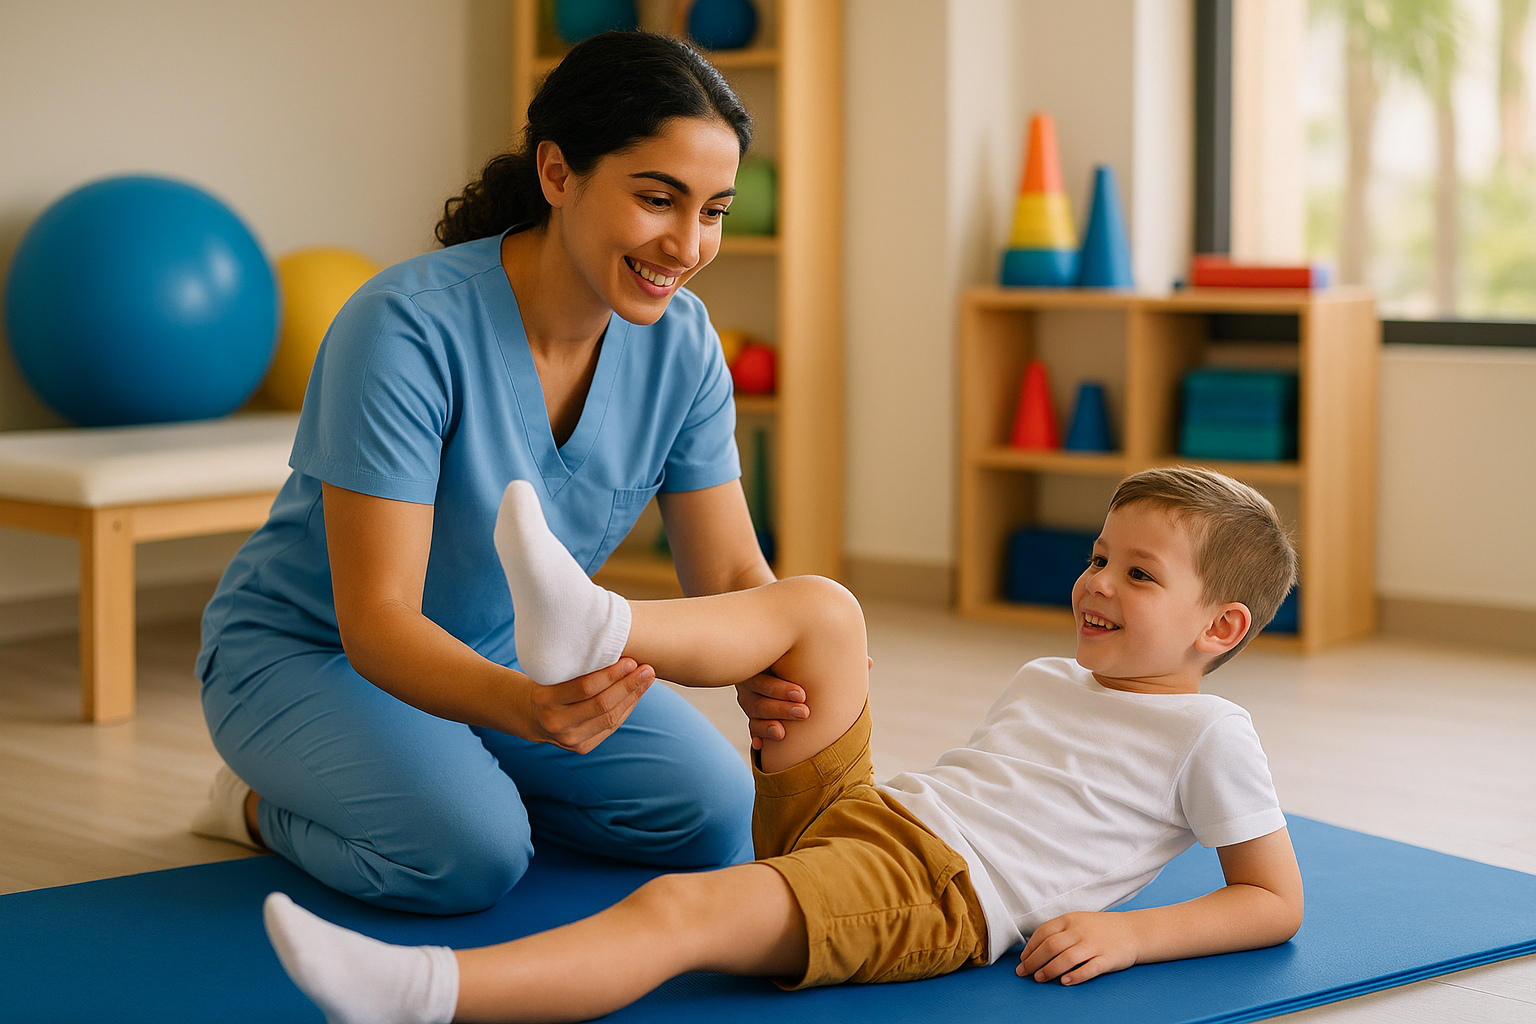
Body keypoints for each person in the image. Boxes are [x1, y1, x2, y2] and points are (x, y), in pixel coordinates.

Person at [261, 466, 1306, 1024]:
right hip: (872, 818)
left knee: (681, 906)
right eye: (1097, 556)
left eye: (1138, 574)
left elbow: (1274, 902)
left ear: (1222, 629)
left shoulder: (1210, 731)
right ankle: (599, 625)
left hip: (934, 893)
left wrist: (1132, 935)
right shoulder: (1050, 677)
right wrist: (822, 720)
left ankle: (427, 993)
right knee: (826, 611)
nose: (1095, 582)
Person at [191, 32, 811, 914]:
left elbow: (733, 579)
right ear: (558, 174)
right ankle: (254, 807)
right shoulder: (403, 327)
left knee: (713, 819)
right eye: (657, 198)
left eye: (712, 210)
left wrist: (776, 658)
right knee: (469, 858)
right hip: (312, 654)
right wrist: (524, 711)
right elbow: (377, 623)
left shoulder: (685, 344)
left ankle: (457, 784)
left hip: (501, 652)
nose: (686, 243)